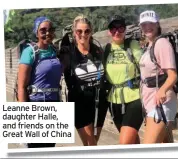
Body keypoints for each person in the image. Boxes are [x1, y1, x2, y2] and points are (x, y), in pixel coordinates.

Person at [59, 15, 108, 146]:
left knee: (93, 144)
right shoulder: (67, 52)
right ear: (74, 32)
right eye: (79, 31)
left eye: (86, 31)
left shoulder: (98, 50)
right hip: (79, 103)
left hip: (99, 104)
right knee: (90, 144)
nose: (83, 34)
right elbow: (52, 70)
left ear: (91, 31)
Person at [18, 16, 62, 148]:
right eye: (43, 30)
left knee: (49, 147)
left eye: (50, 30)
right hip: (36, 105)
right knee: (35, 148)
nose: (47, 33)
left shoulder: (55, 51)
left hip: (54, 104)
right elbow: (21, 87)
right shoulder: (29, 52)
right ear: (36, 33)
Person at [139, 10, 178, 143]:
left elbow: (173, 76)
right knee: (166, 145)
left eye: (151, 23)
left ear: (157, 24)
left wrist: (162, 90)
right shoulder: (150, 45)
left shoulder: (161, 43)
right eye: (144, 24)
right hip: (151, 101)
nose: (147, 27)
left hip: (162, 102)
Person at [104, 15, 143, 144]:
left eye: (120, 28)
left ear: (125, 29)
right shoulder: (106, 49)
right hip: (113, 100)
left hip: (134, 97)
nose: (117, 32)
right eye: (113, 29)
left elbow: (144, 65)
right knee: (132, 141)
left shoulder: (132, 45)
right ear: (109, 31)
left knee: (124, 143)